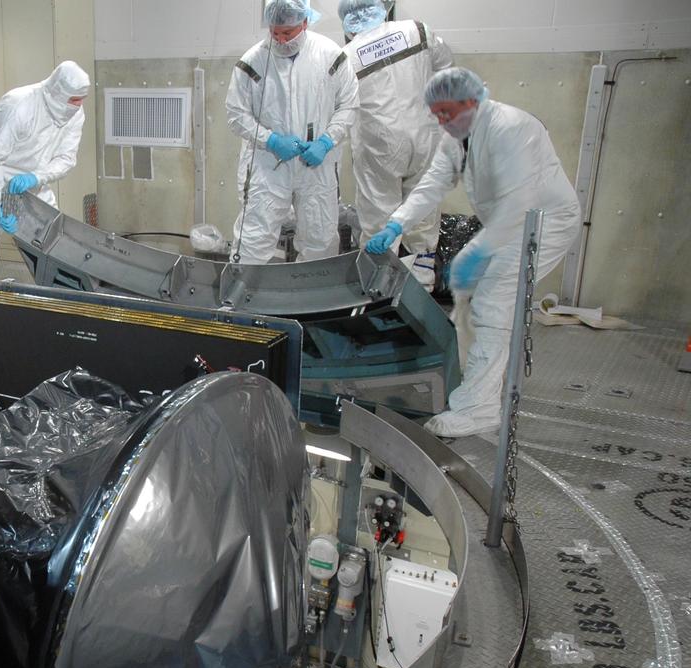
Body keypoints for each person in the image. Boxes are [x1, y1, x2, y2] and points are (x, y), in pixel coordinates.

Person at [365, 68, 582, 437]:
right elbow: (431, 185)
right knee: (475, 304)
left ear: (474, 101)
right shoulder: (456, 136)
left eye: (448, 113)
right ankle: (472, 379)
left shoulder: (514, 128)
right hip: (505, 225)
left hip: (543, 224)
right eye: (437, 115)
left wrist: (473, 254)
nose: (442, 121)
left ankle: (479, 409)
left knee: (493, 304)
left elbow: (518, 203)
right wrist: (395, 225)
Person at [225, 0, 357, 264]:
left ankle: (313, 300)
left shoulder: (331, 56)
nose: (281, 40)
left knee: (319, 238)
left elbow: (349, 104)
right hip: (267, 165)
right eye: (275, 33)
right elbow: (236, 114)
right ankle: (240, 299)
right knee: (253, 238)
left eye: (288, 33)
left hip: (316, 165)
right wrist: (270, 140)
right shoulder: (252, 62)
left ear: (305, 22)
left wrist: (326, 141)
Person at [339, 0, 452, 285]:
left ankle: (381, 295)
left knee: (380, 220)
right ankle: (420, 293)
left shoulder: (346, 56)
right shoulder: (417, 31)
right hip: (426, 138)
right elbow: (446, 70)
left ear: (348, 21)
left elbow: (339, 108)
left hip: (379, 148)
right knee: (422, 214)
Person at [0, 60, 90, 278]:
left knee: (52, 236)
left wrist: (36, 177)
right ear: (58, 92)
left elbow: (66, 159)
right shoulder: (18, 105)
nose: (78, 105)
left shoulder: (75, 114)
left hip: (31, 177)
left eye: (81, 100)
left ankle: (58, 301)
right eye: (74, 100)